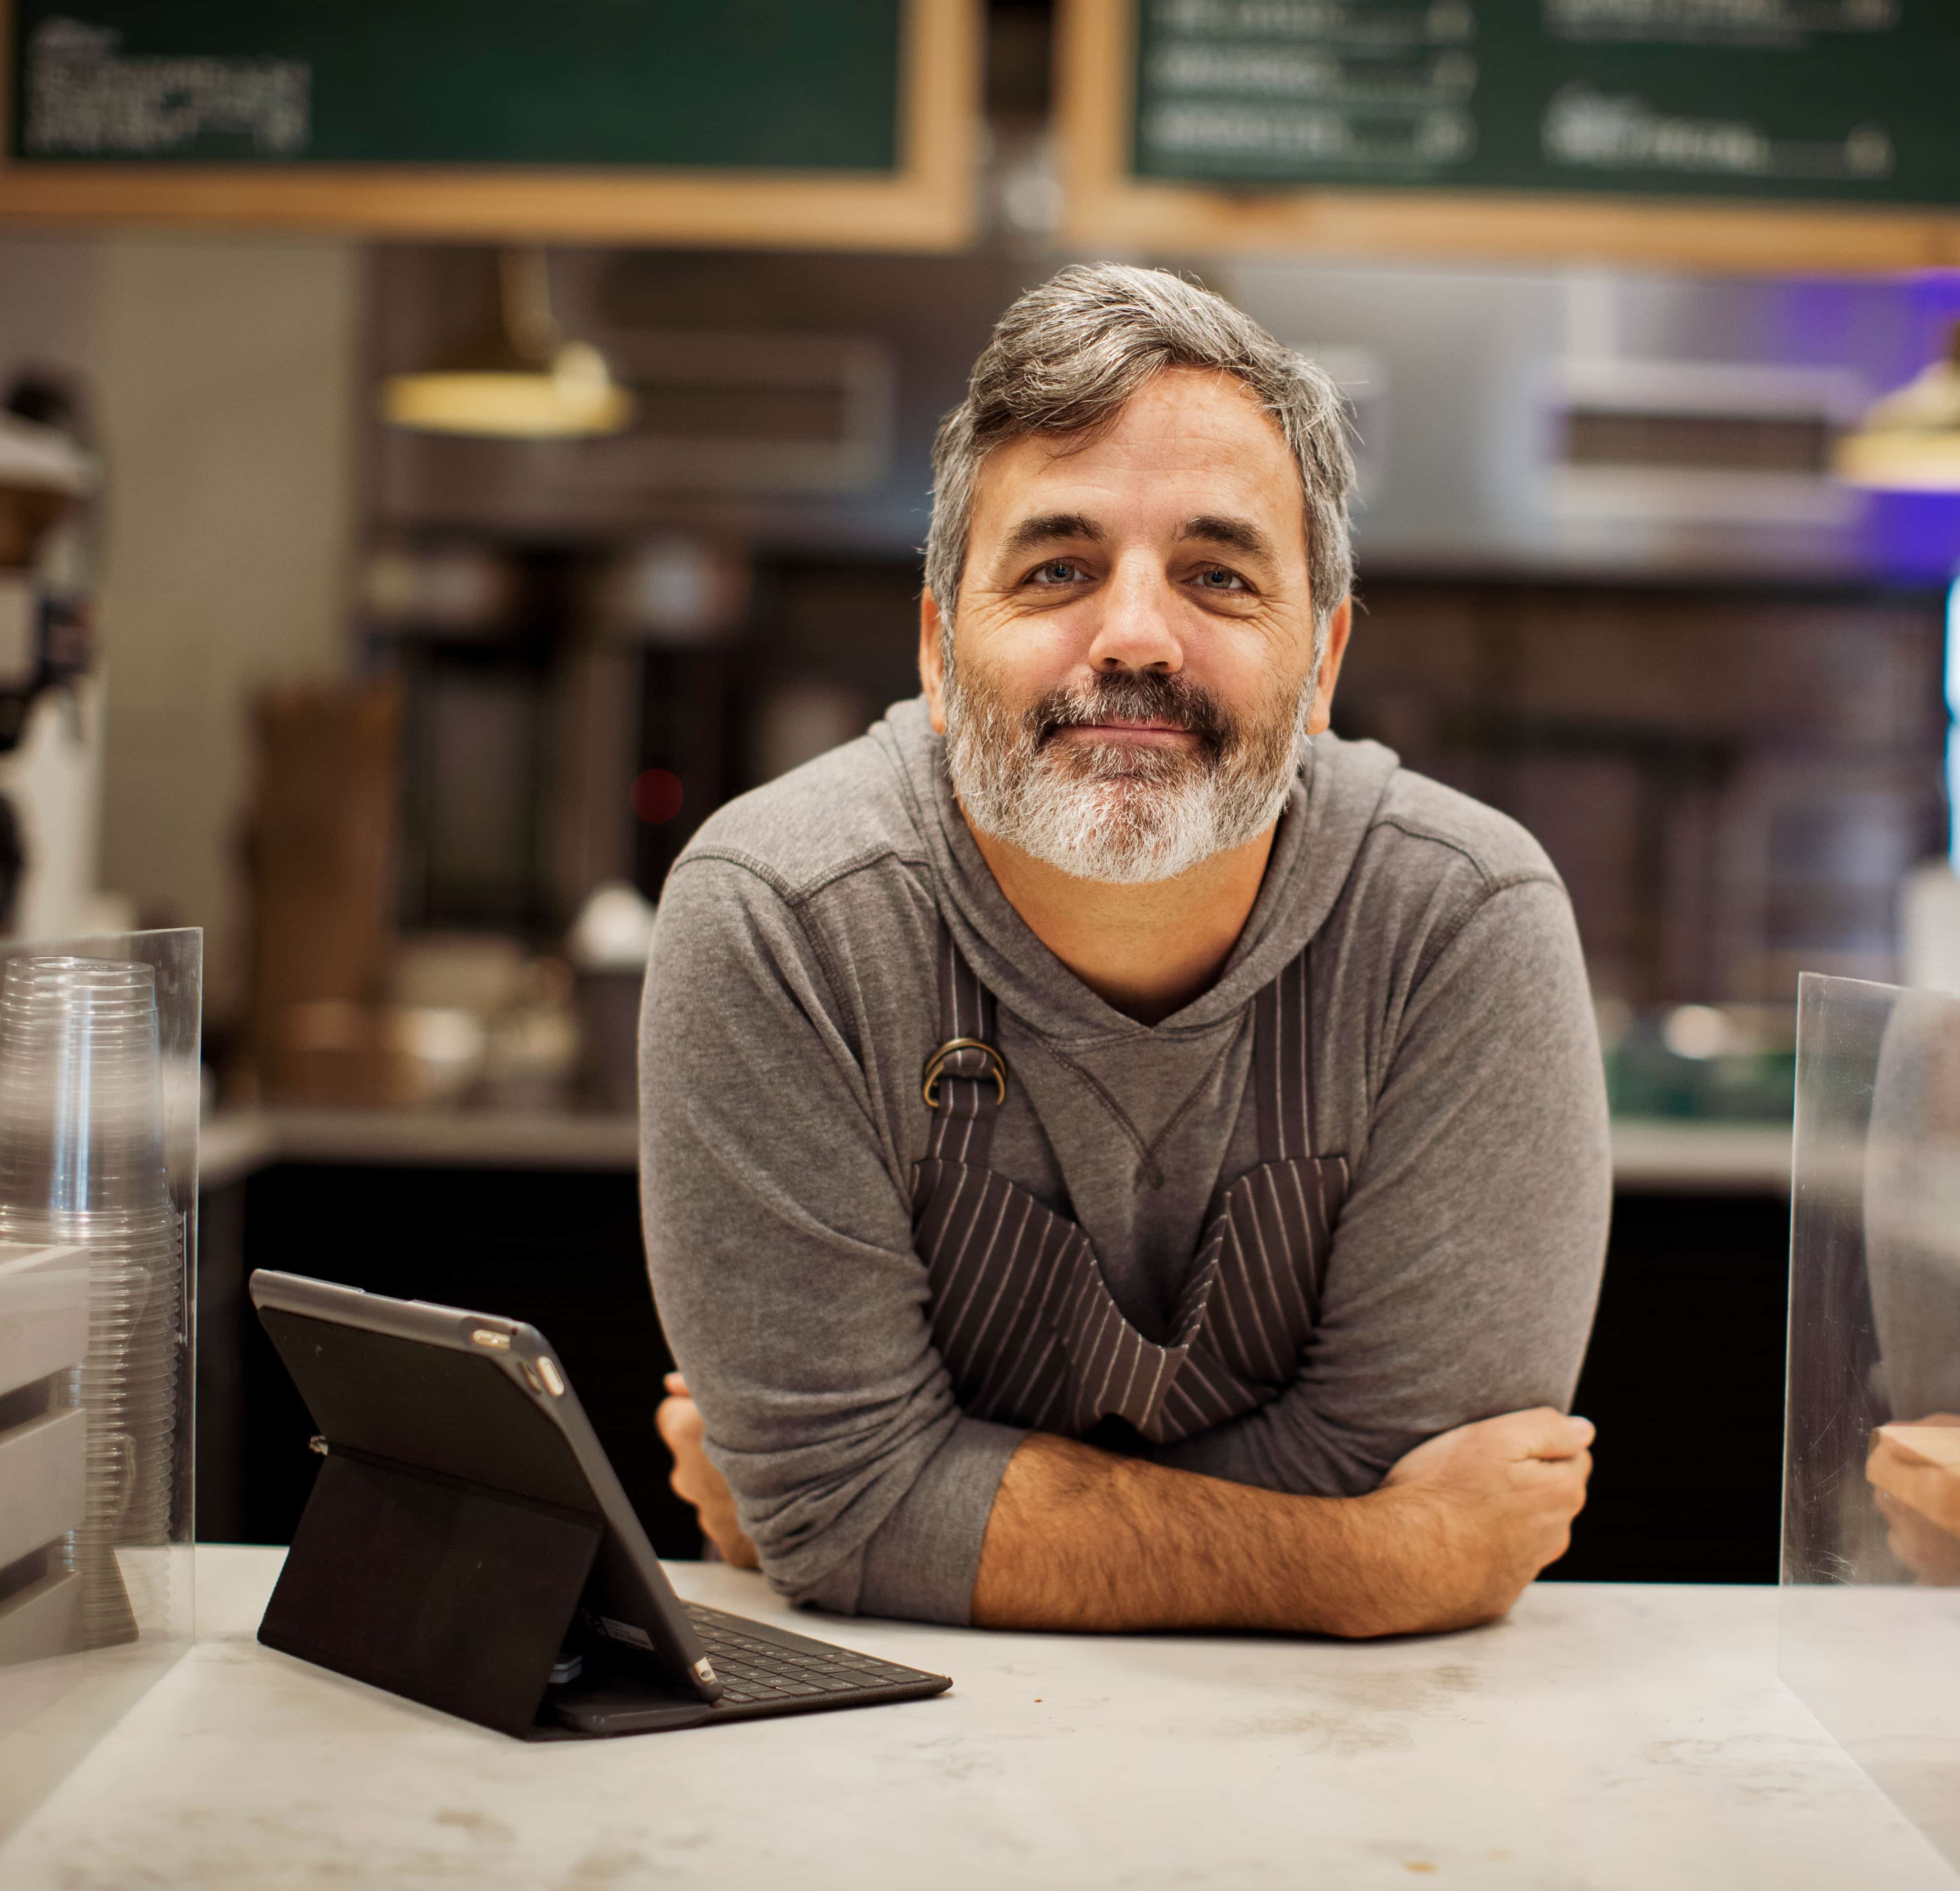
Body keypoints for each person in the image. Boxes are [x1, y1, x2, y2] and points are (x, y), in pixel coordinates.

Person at [644, 264, 1608, 1637]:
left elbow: (847, 1511)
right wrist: (1381, 1563)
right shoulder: (781, 915)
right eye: (1058, 568)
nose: (1137, 637)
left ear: (1322, 662)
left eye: (1217, 574)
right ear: (935, 651)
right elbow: (847, 1504)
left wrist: (897, 1518)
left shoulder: (1460, 923)